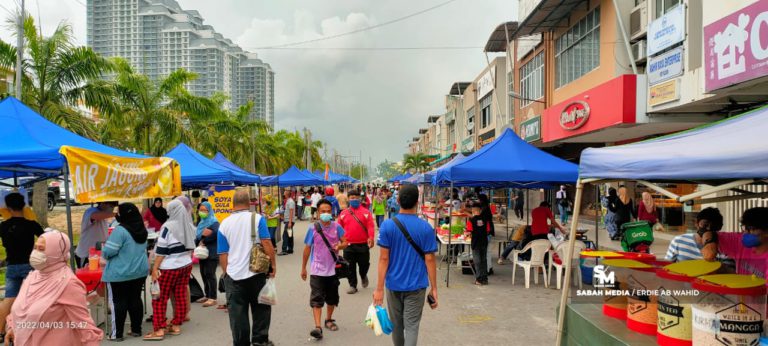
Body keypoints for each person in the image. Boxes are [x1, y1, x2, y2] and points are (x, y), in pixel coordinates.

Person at [5, 231, 103, 346]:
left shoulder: (68, 284)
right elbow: (22, 308)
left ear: (55, 252)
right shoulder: (33, 276)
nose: (35, 253)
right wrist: (14, 327)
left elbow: (85, 327)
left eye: (41, 249)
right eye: (35, 248)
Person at [373, 184, 438, 346]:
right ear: (417, 201)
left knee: (397, 326)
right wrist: (434, 288)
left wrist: (379, 289)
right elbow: (430, 260)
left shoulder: (387, 225)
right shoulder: (426, 228)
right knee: (412, 326)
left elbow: (383, 259)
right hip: (417, 286)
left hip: (393, 285)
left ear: (398, 200)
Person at [218, 189, 276, 346]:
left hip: (234, 277)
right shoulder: (257, 219)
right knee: (261, 310)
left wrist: (226, 274)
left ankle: (241, 342)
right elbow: (266, 243)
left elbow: (223, 254)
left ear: (233, 204)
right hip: (257, 274)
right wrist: (273, 265)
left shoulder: (224, 224)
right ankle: (259, 341)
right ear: (249, 203)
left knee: (237, 315)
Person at [144, 199, 195, 340]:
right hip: (185, 265)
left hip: (169, 267)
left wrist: (155, 268)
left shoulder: (167, 227)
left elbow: (161, 250)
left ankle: (159, 329)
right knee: (180, 295)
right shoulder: (189, 225)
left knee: (159, 298)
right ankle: (176, 325)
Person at [301, 199, 349, 340]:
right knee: (317, 298)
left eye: (328, 211)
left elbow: (346, 242)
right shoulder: (312, 229)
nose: (326, 213)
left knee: (332, 298)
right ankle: (317, 327)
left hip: (333, 269)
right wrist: (303, 268)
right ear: (317, 213)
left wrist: (339, 247)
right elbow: (307, 249)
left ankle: (328, 319)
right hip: (317, 269)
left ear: (332, 212)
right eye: (323, 211)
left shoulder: (336, 227)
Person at [0, 193, 44, 342]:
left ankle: (0, 332)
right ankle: (30, 329)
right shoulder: (31, 224)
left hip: (11, 266)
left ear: (9, 208)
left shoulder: (3, 226)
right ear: (23, 206)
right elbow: (46, 238)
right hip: (29, 266)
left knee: (9, 299)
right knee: (31, 299)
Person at [102, 203, 149, 341]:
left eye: (119, 213)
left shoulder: (120, 230)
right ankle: (136, 329)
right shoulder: (143, 230)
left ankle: (117, 334)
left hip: (120, 273)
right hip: (139, 272)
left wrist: (105, 252)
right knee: (135, 299)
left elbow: (108, 252)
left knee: (119, 302)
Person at [702, 207, 768, 280]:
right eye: (744, 228)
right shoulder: (739, 241)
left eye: (750, 229)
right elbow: (709, 234)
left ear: (766, 231)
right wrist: (710, 244)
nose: (745, 232)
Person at [337, 190, 375, 294]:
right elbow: (338, 228)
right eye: (351, 197)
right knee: (350, 267)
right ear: (348, 199)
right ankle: (352, 285)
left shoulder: (366, 212)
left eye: (356, 197)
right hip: (348, 246)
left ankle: (363, 275)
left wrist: (371, 237)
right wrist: (338, 242)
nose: (354, 199)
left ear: (360, 199)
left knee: (364, 265)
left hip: (363, 245)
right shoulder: (343, 213)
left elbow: (370, 226)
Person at [75, 201, 117, 268]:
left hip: (97, 254)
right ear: (103, 203)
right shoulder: (90, 211)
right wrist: (116, 214)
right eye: (111, 207)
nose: (112, 209)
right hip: (86, 255)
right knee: (86, 276)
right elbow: (95, 216)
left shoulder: (104, 216)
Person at [195, 201, 220, 307]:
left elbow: (215, 233)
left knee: (210, 274)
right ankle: (207, 294)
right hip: (202, 253)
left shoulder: (214, 222)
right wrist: (201, 238)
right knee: (203, 273)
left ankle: (213, 297)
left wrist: (204, 240)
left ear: (209, 211)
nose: (202, 212)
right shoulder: (201, 222)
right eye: (200, 210)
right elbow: (198, 236)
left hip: (212, 252)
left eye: (204, 210)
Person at [467, 201, 490, 285]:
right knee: (484, 260)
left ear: (473, 210)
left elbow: (469, 232)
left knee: (477, 261)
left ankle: (478, 279)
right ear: (480, 210)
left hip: (476, 243)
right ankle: (485, 279)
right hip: (484, 242)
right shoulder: (485, 220)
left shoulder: (471, 220)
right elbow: (487, 231)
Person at [278, 189, 296, 256]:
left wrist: (290, 222)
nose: (283, 194)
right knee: (290, 235)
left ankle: (284, 250)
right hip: (288, 220)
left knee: (285, 235)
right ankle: (290, 249)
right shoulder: (288, 201)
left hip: (289, 221)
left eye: (284, 193)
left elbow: (291, 211)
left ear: (287, 194)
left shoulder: (290, 201)